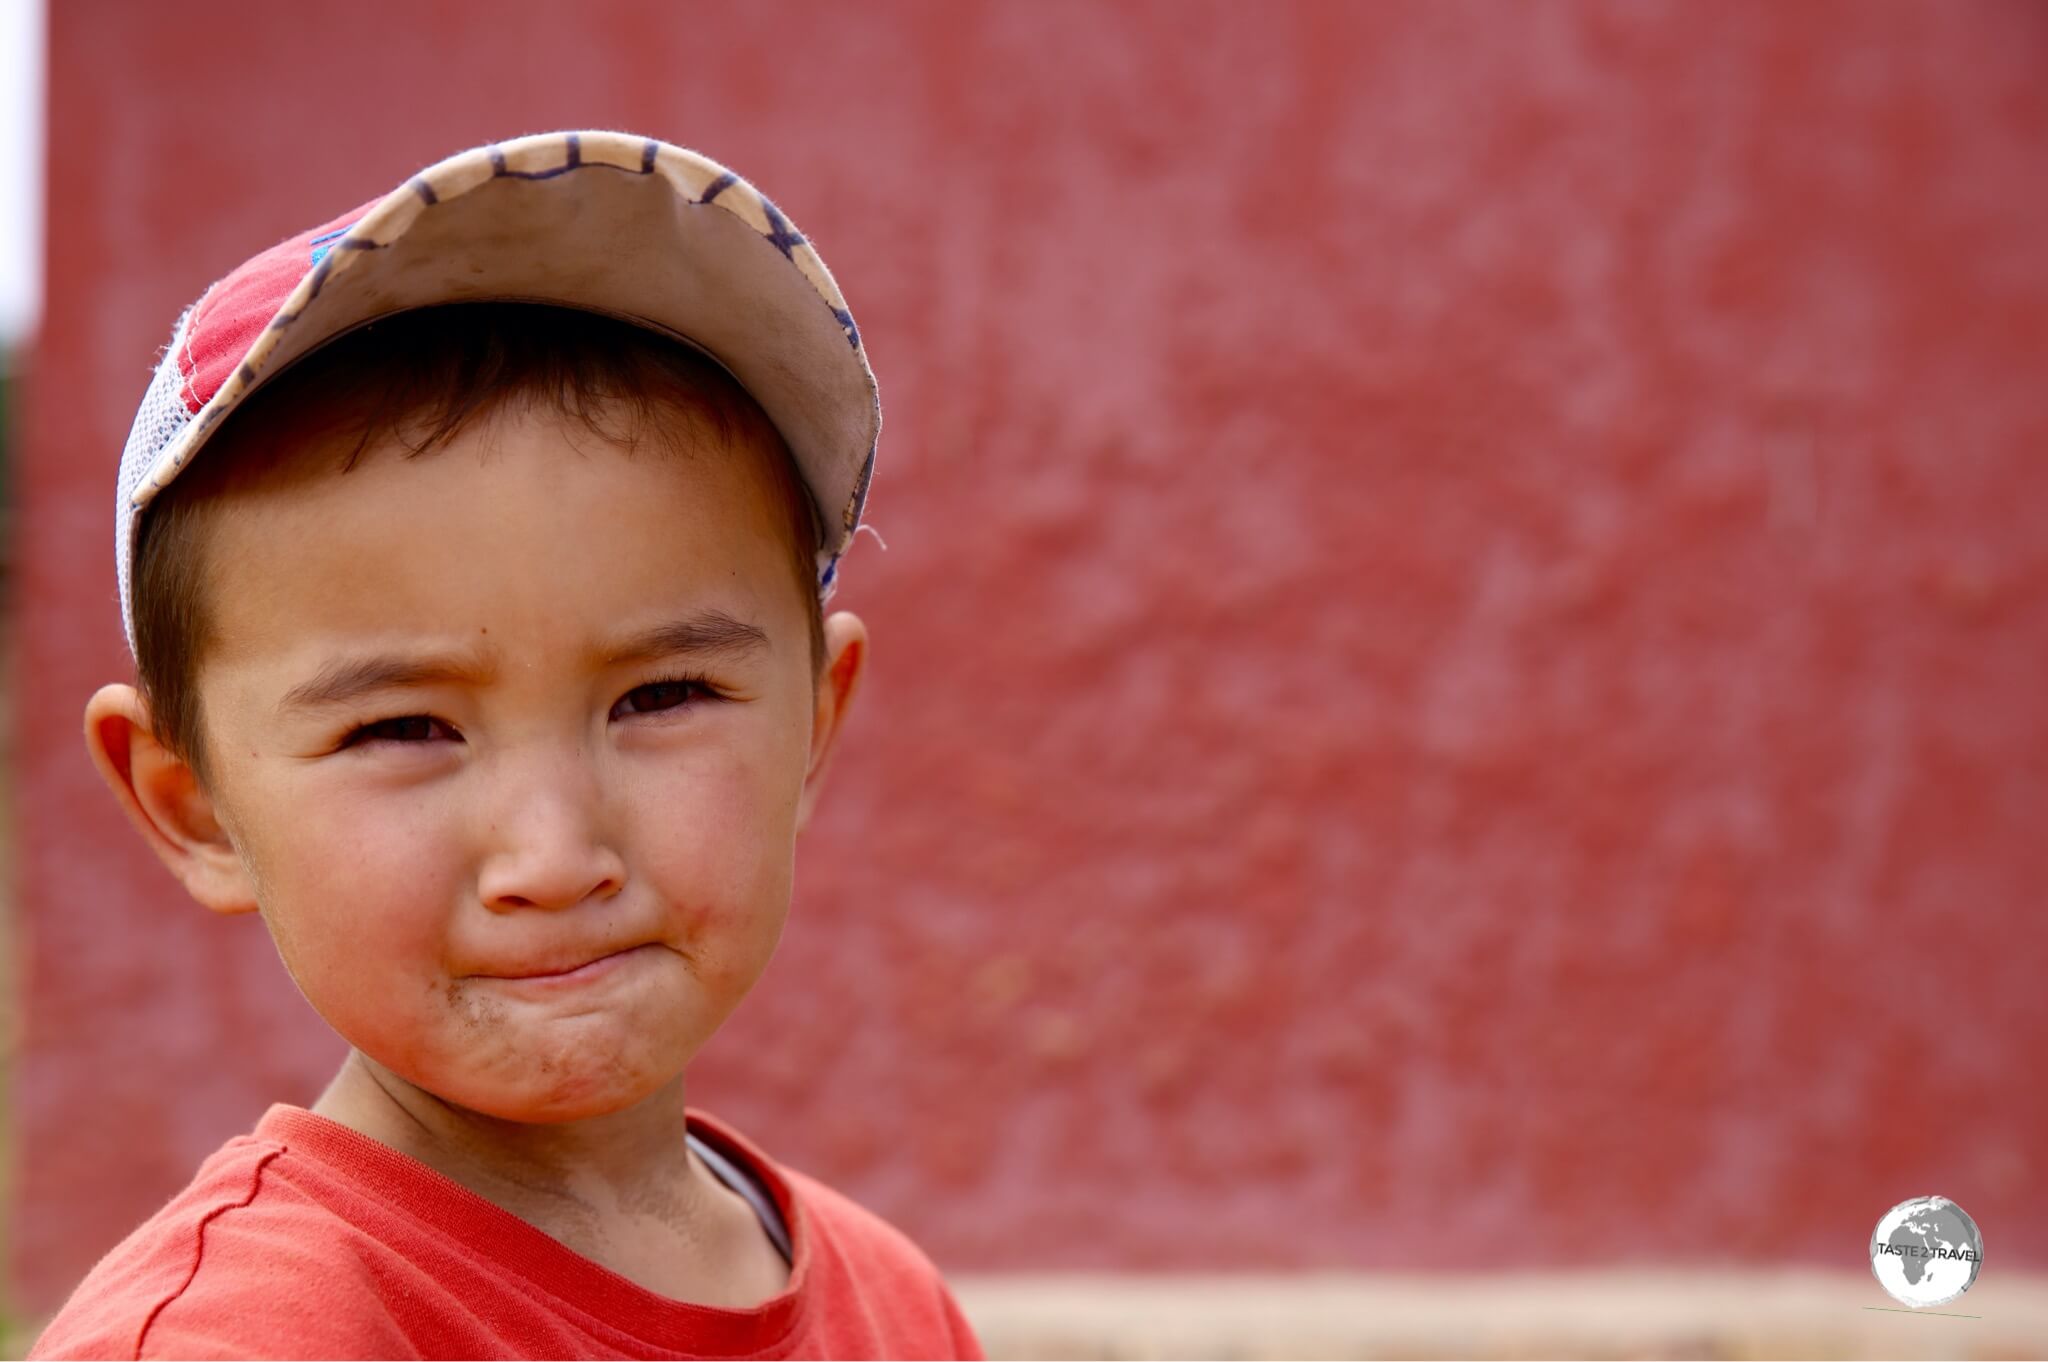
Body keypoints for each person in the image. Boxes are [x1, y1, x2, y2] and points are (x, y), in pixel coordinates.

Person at [31, 130, 982, 1361]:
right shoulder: (244, 1341)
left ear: (815, 721)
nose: (552, 854)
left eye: (662, 697)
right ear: (193, 802)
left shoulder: (892, 1305)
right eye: (404, 727)